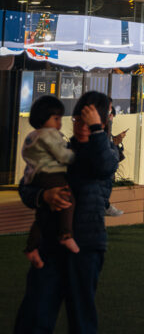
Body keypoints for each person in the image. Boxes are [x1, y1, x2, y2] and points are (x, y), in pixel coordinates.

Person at [14, 91, 120, 334]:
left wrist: (96, 133)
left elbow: (104, 165)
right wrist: (43, 196)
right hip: (50, 243)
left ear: (102, 124)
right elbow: (26, 186)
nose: (81, 127)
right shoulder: (58, 147)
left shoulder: (107, 152)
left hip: (87, 244)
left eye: (90, 122)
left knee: (81, 317)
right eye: (77, 120)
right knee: (35, 314)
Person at [21, 97, 79, 268]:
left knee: (44, 213)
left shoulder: (33, 136)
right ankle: (66, 235)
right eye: (56, 118)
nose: (60, 123)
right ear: (43, 117)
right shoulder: (49, 135)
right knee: (68, 199)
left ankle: (32, 247)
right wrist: (76, 157)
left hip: (37, 176)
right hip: (51, 174)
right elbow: (62, 155)